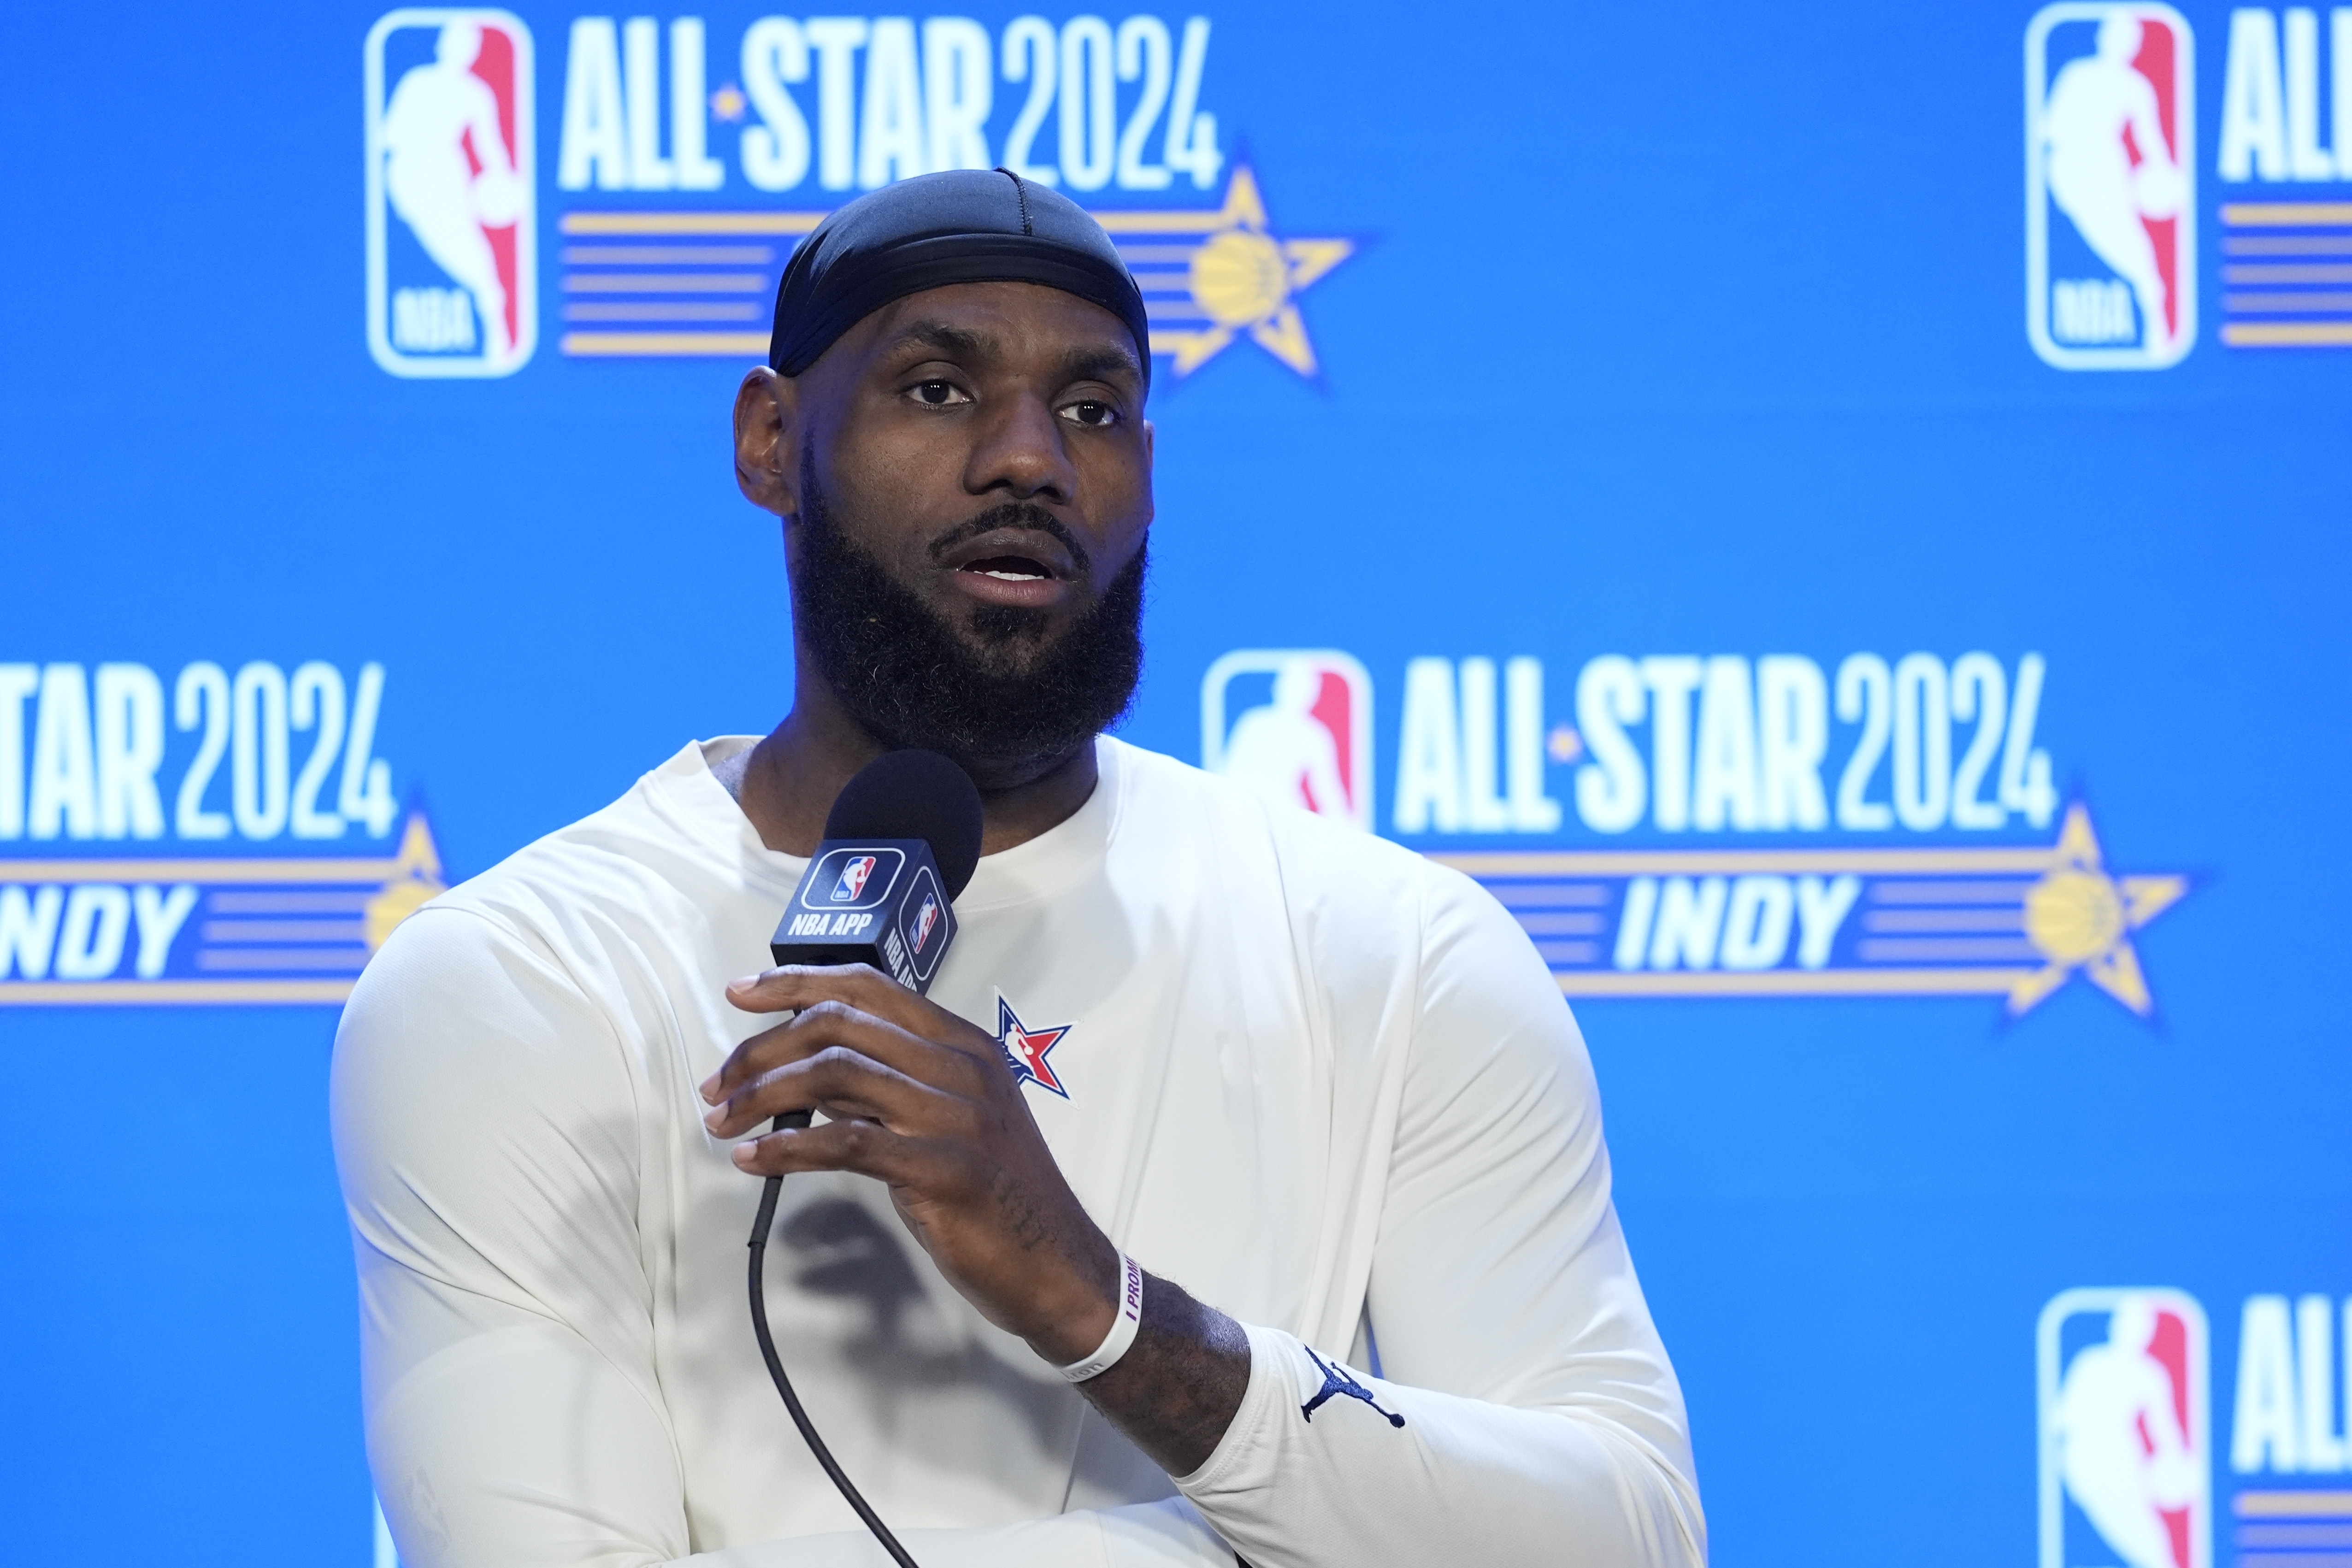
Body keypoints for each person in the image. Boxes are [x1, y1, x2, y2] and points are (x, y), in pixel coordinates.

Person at [333, 168, 1704, 1568]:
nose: (1031, 459)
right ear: (769, 441)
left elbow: (1630, 1537)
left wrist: (1102, 1310)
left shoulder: (1396, 951)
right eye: (938, 389)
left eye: (1094, 409)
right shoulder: (517, 982)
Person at [2042, 12, 2184, 349]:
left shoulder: (2136, 87)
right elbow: (2047, 128)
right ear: (2101, 38)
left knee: (2135, 248)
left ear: (2133, 47)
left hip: (2106, 169)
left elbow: (2153, 144)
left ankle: (2156, 321)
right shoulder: (2076, 74)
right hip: (2068, 170)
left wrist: (2166, 177)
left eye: (2127, 40)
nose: (2119, 44)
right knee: (2107, 240)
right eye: (2113, 36)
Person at [382, 21, 520, 360]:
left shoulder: (477, 93)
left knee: (476, 255)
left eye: (468, 46)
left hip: (446, 175)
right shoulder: (417, 82)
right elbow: (387, 135)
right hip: (409, 174)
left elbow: (492, 150)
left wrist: (505, 182)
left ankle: (496, 329)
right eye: (454, 42)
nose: (459, 50)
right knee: (442, 247)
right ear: (441, 45)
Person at [1216, 658, 1353, 824]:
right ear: (1278, 688)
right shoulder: (1254, 723)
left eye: (1303, 689)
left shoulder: (1314, 735)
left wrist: (1347, 830)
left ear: (1313, 695)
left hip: (1286, 818)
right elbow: (1228, 771)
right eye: (1291, 686)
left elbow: (1328, 792)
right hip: (1242, 813)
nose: (1296, 693)